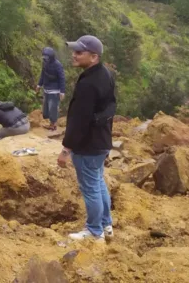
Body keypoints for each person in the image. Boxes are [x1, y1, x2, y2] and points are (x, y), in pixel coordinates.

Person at [58, 35, 116, 242]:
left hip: (88, 145)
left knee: (91, 188)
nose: (73, 55)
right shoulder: (106, 75)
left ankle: (94, 231)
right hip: (101, 142)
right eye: (74, 51)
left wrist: (66, 149)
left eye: (79, 52)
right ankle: (106, 225)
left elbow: (79, 121)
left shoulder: (88, 84)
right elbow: (111, 106)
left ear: (93, 57)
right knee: (98, 182)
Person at [36, 47, 66, 131]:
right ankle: (50, 123)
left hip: (55, 91)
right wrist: (39, 85)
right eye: (44, 57)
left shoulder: (58, 65)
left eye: (47, 57)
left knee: (52, 108)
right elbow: (43, 74)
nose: (45, 59)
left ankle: (53, 125)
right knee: (45, 111)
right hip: (46, 89)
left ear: (51, 57)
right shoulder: (45, 63)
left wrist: (62, 91)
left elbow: (62, 78)